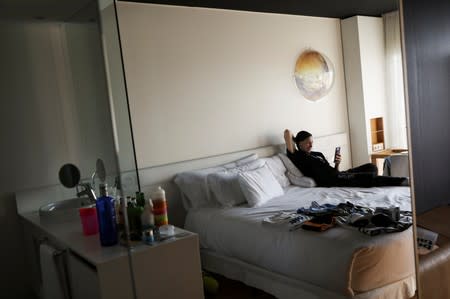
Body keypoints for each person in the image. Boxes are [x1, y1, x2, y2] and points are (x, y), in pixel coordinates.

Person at [284, 129, 408, 187]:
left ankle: (367, 178)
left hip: (339, 175)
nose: (311, 145)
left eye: (312, 142)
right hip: (332, 182)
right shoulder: (298, 156)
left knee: (372, 167)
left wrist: (337, 163)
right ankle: (402, 181)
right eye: (307, 143)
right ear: (299, 144)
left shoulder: (318, 154)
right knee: (369, 178)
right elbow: (287, 133)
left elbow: (334, 171)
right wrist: (295, 140)